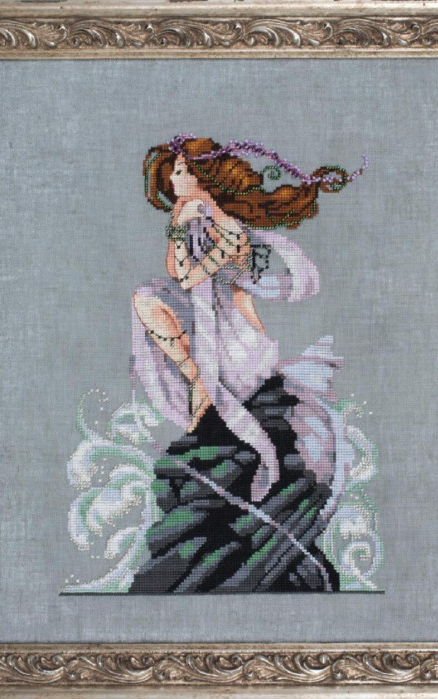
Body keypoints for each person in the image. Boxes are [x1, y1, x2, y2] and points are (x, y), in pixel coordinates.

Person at [131, 134, 366, 502]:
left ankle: (212, 429)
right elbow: (176, 272)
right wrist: (179, 221)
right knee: (146, 298)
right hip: (209, 332)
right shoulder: (196, 223)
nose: (173, 180)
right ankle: (197, 383)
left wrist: (178, 223)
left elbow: (189, 278)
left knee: (205, 412)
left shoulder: (230, 231)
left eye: (179, 172)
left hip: (239, 344)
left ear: (200, 178)